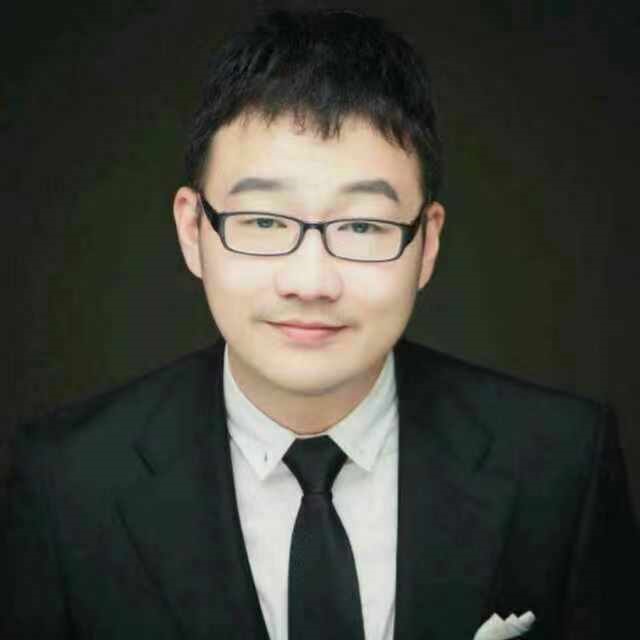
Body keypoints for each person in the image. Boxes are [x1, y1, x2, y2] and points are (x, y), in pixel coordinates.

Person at [3, 8, 638, 640]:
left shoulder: (561, 464)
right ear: (193, 230)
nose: (310, 282)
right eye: (263, 221)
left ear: (428, 242)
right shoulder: (65, 484)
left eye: (362, 225)